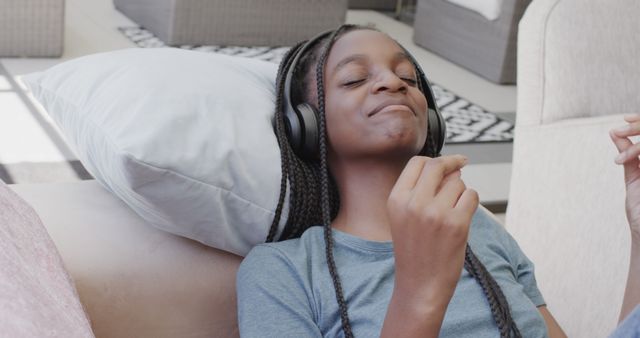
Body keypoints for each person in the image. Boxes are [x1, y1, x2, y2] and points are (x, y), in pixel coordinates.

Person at [235, 23, 633, 337]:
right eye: (355, 79)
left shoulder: (477, 228)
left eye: (408, 78)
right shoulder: (281, 271)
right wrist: (419, 292)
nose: (393, 84)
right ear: (305, 124)